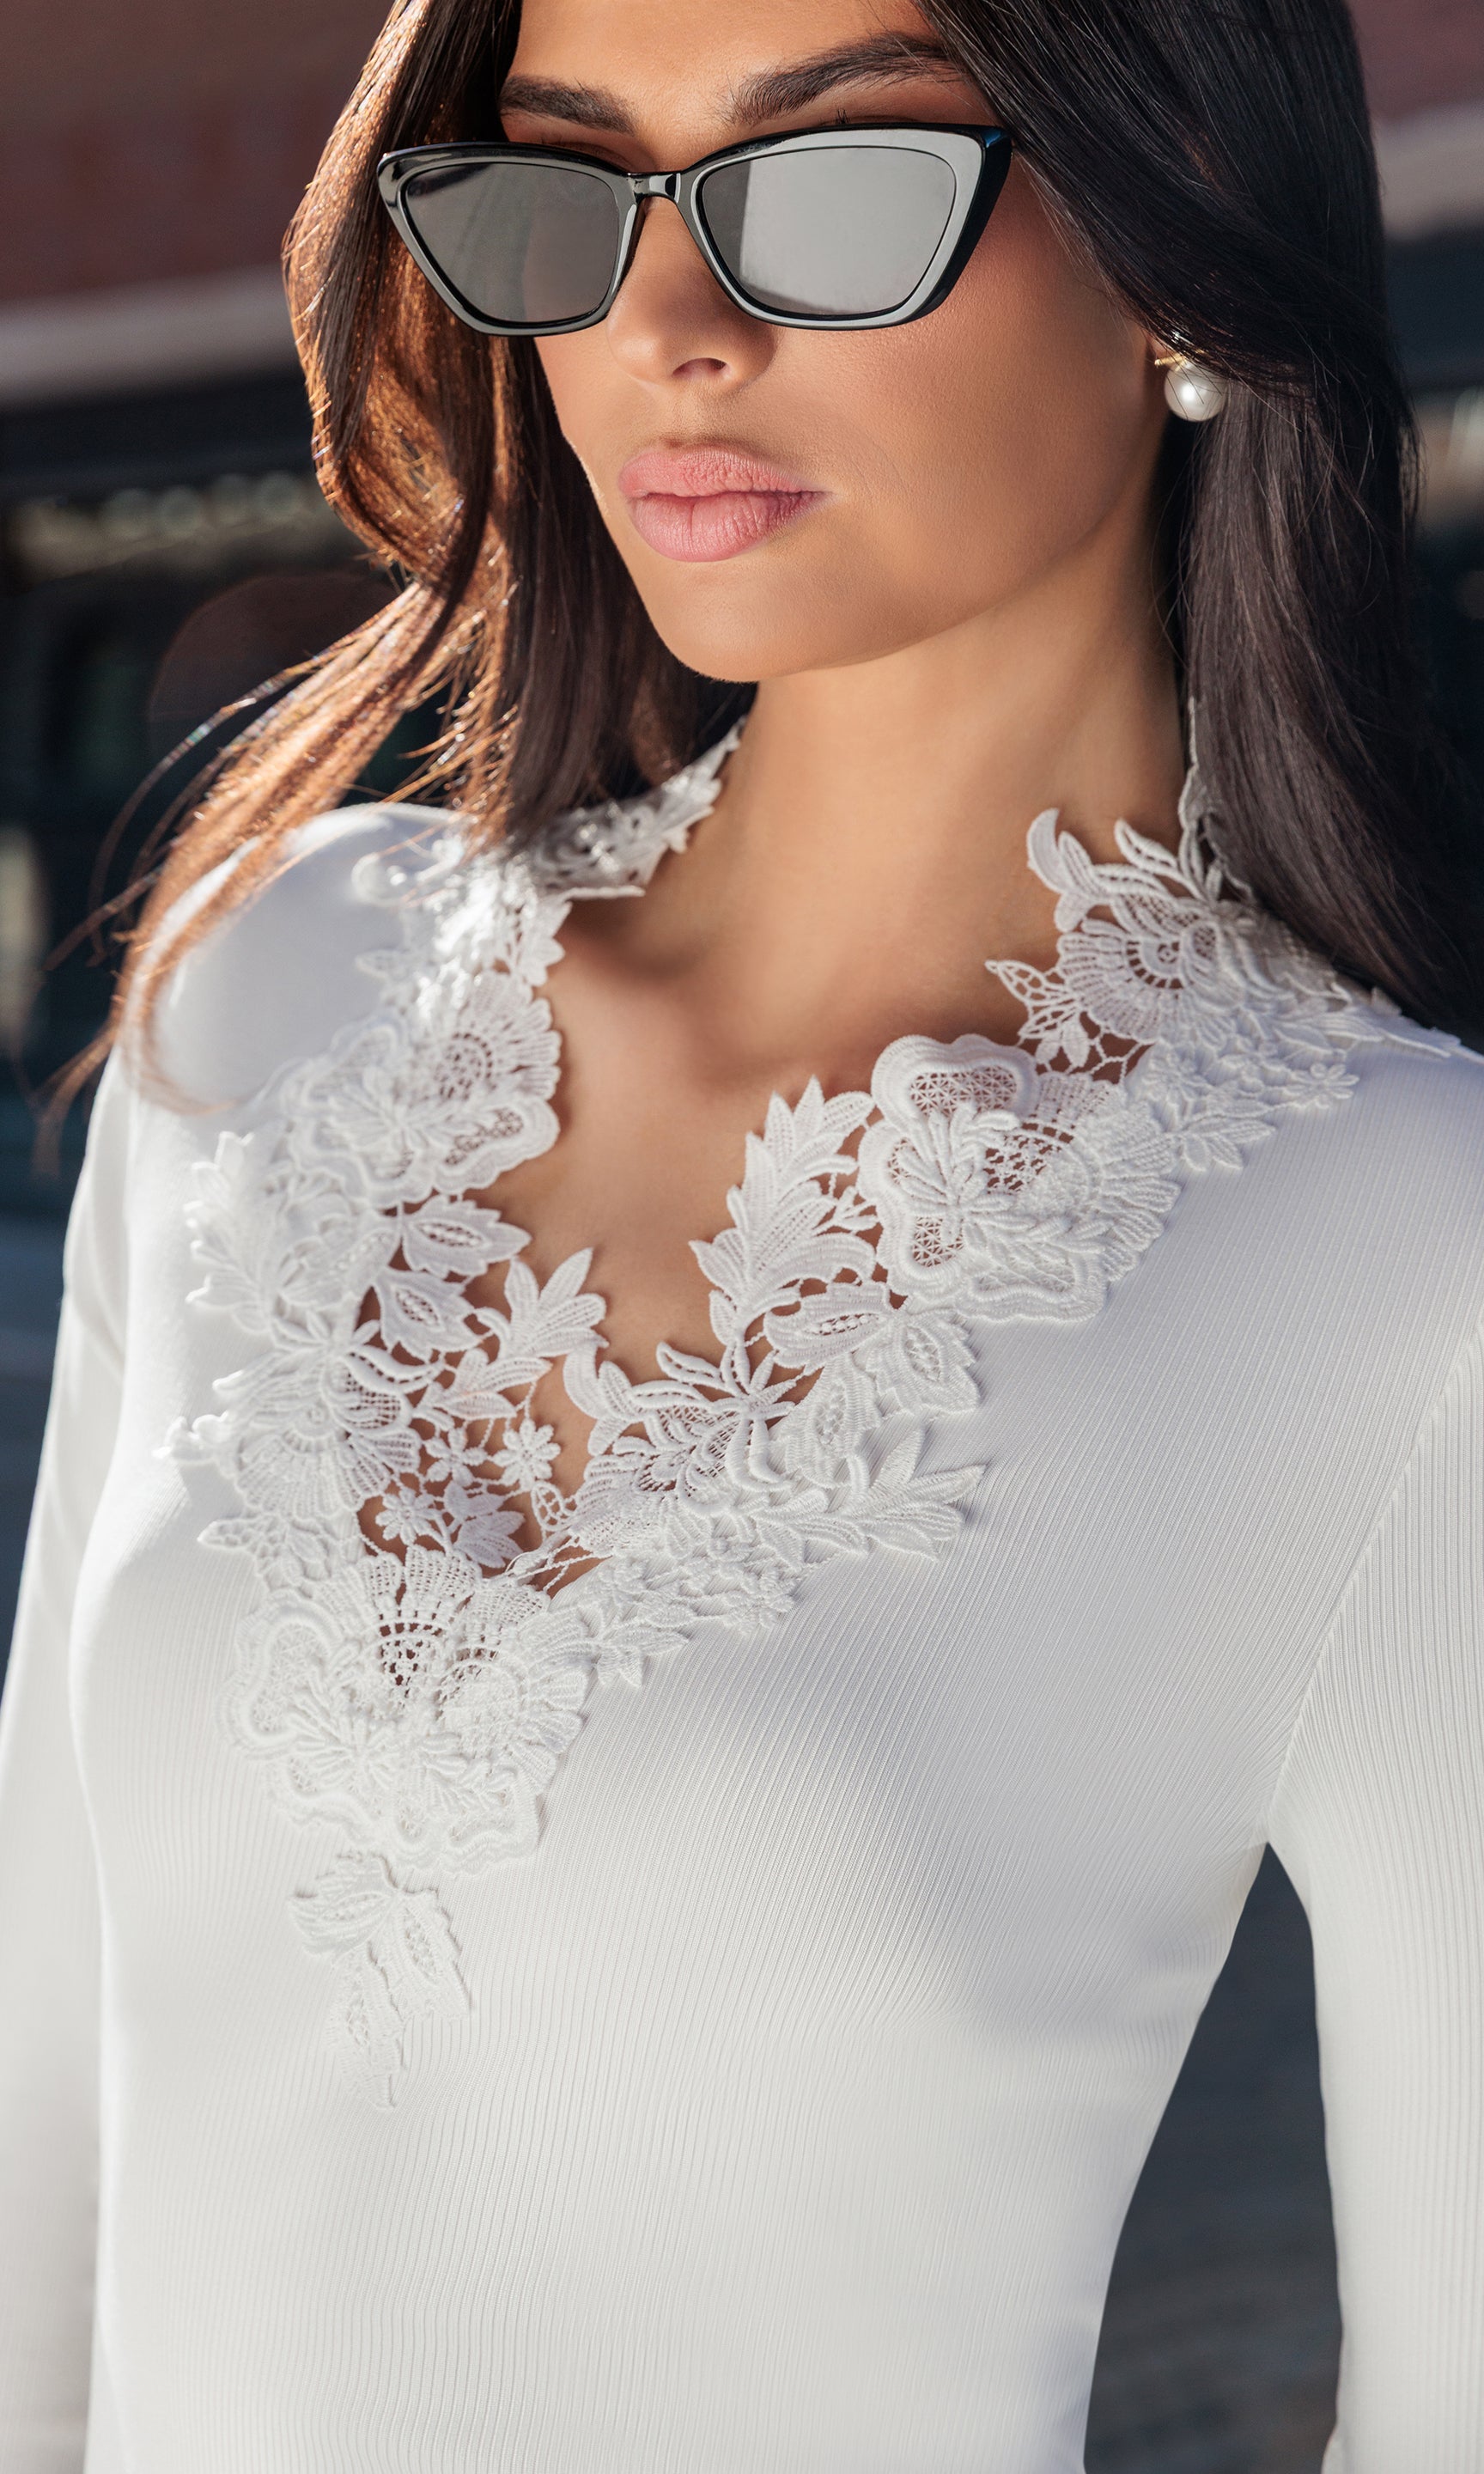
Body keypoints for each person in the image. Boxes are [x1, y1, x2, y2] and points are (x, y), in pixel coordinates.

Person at [1, 0, 1481, 2464]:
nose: (667, 333)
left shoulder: (1403, 1246)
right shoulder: (280, 987)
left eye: (833, 186)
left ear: (1177, 257)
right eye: (574, 193)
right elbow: (39, 2058)